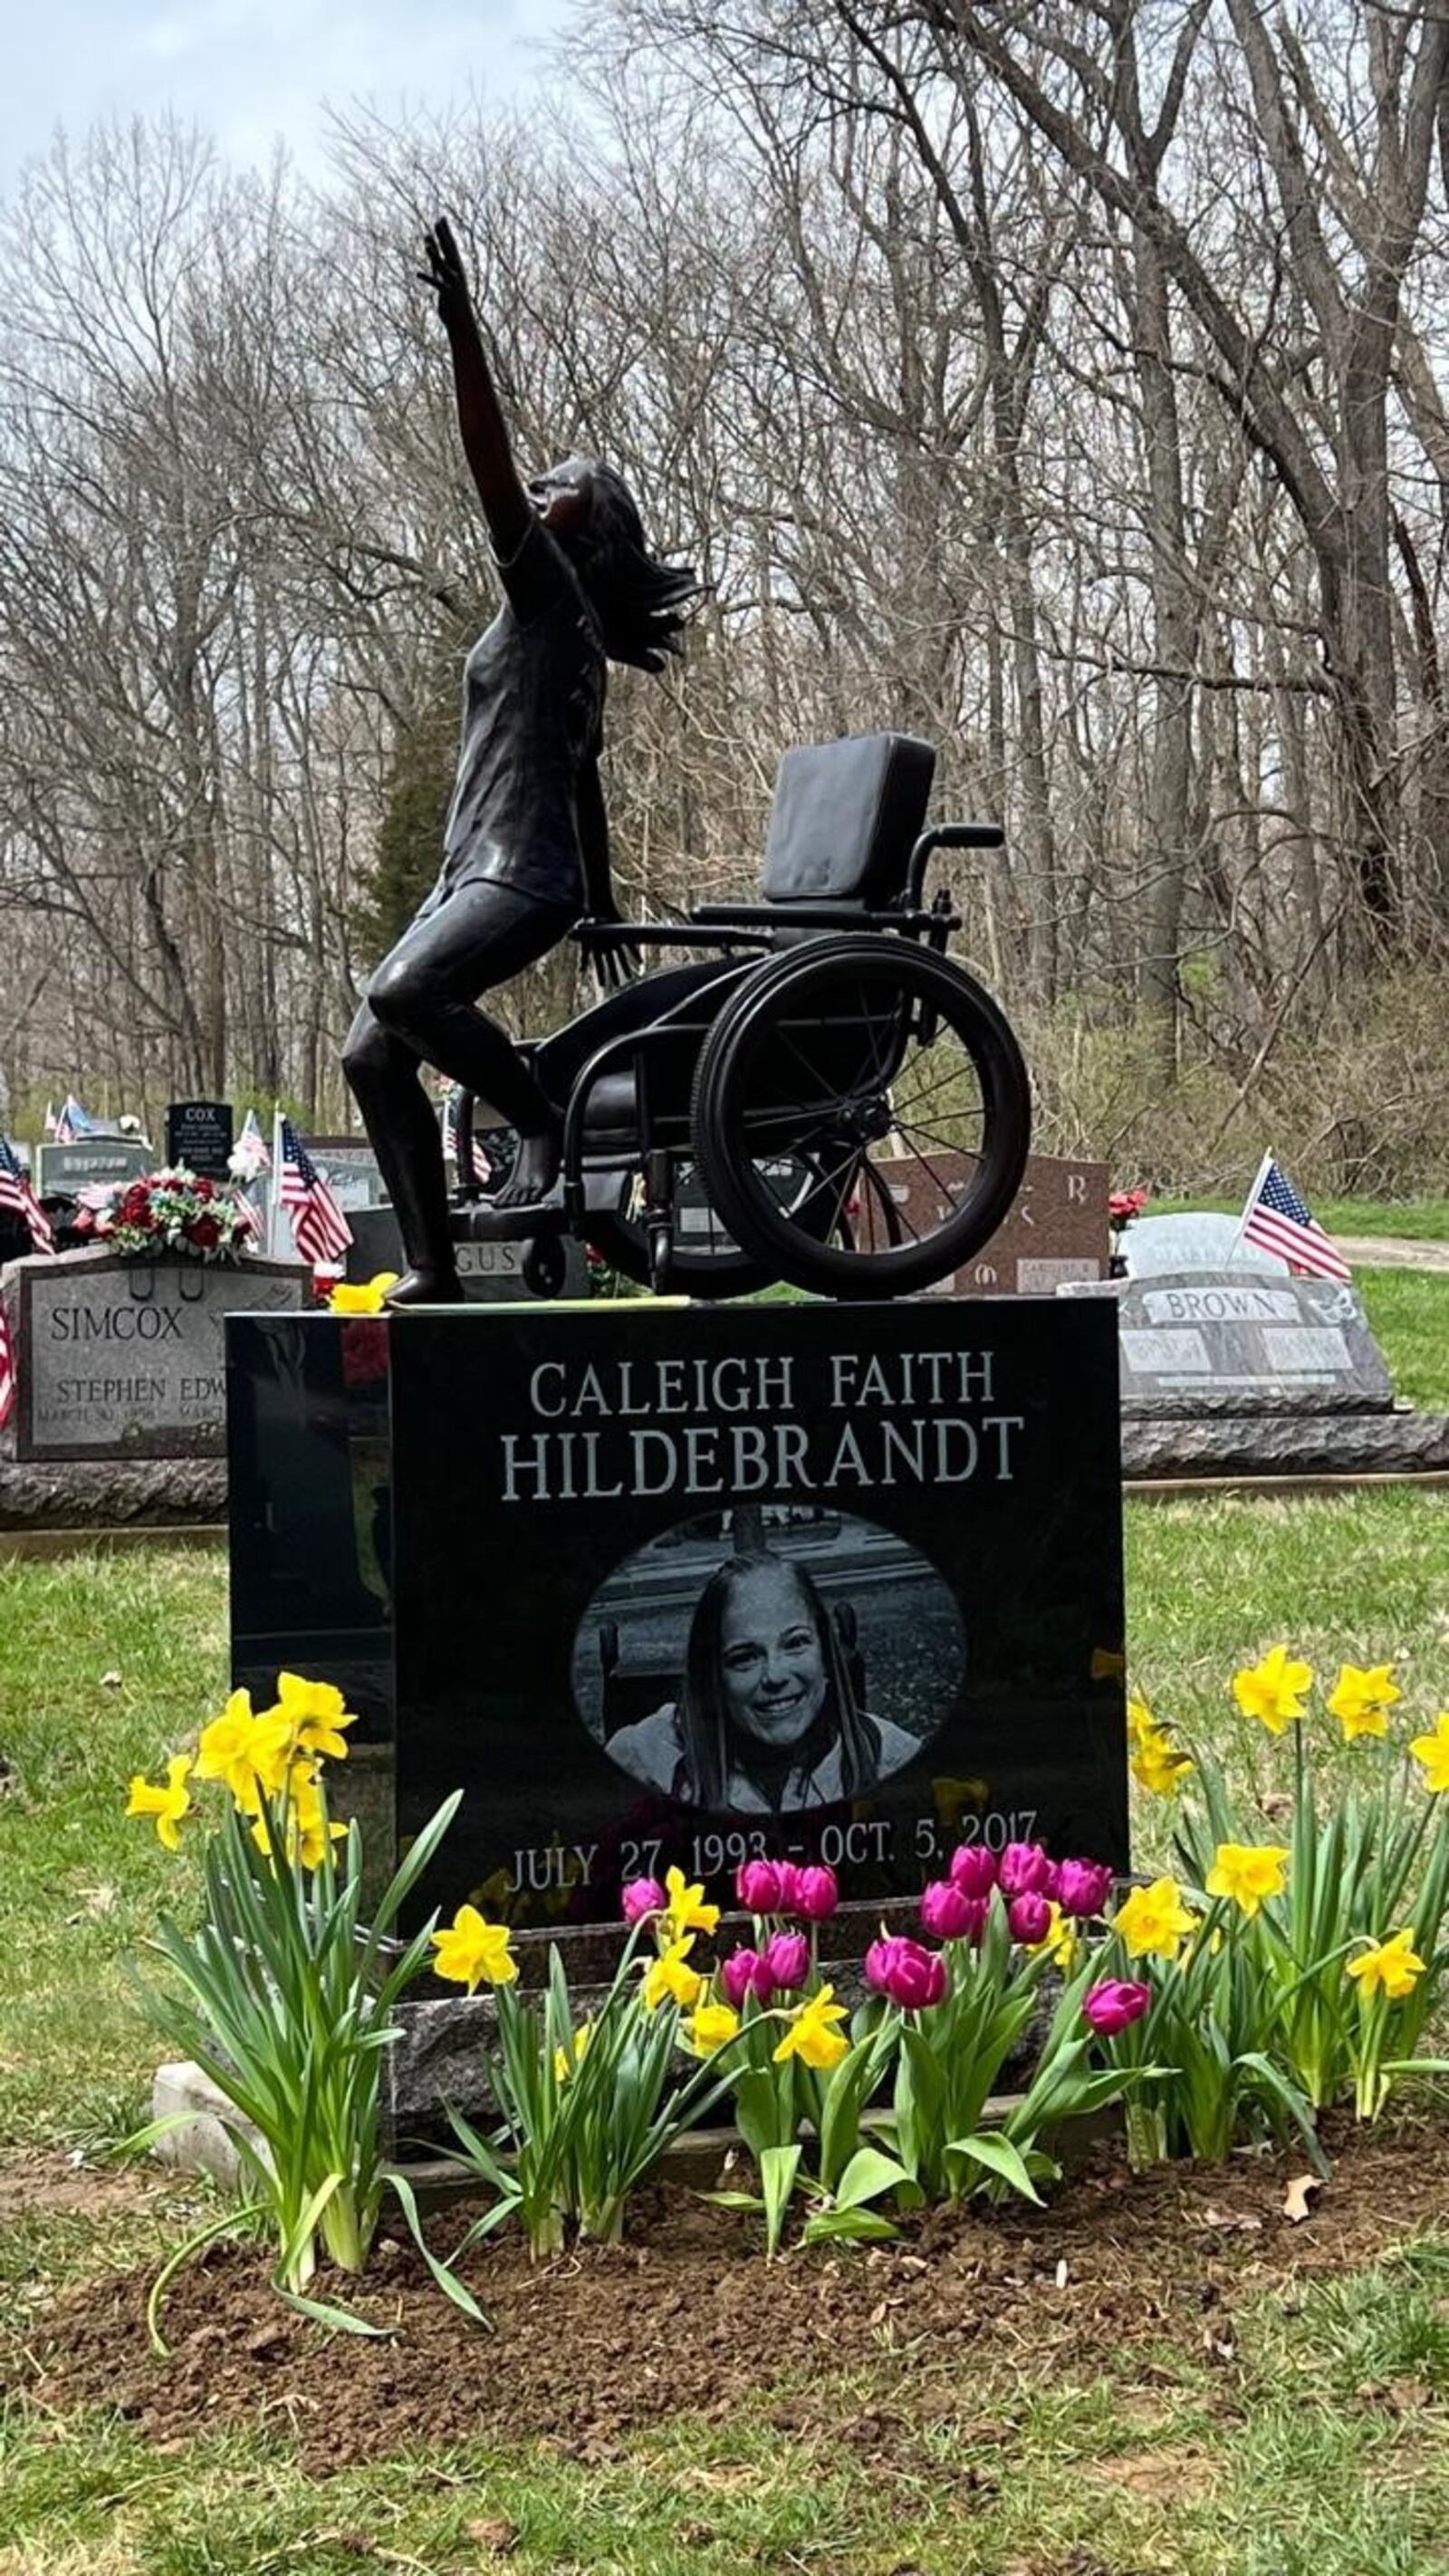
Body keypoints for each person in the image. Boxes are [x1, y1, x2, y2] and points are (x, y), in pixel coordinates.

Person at [342, 216, 700, 1305]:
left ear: (582, 528)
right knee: (369, 1054)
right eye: (543, 481)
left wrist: (464, 333)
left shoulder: (548, 601)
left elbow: (485, 468)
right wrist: (600, 905)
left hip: (512, 872)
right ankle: (436, 1270)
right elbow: (580, 772)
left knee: (403, 989)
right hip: (486, 871)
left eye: (564, 486)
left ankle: (539, 1114)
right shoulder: (564, 636)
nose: (541, 486)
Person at [607, 1551, 918, 1811]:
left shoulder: (887, 1758)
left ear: (825, 1654)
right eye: (744, 1658)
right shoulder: (647, 1759)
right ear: (713, 1676)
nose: (775, 1676)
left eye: (795, 1643)